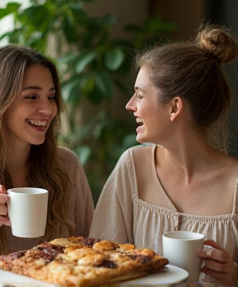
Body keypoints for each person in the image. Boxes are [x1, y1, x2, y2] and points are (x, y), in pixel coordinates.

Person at [90, 23, 238, 286]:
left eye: (139, 95)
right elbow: (97, 262)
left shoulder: (235, 184)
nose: (130, 105)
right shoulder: (132, 167)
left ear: (174, 107)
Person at [0, 45, 94, 286]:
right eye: (31, 96)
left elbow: (93, 251)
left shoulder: (66, 165)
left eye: (50, 97)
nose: (48, 109)